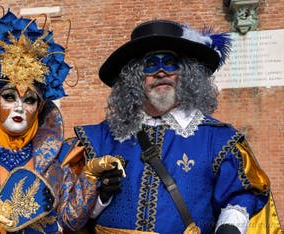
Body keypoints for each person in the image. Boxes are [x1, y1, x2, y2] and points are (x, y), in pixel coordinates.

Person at [66, 20, 282, 233]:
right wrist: (100, 197)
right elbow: (72, 217)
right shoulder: (100, 138)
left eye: (170, 63)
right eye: (150, 64)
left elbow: (242, 193)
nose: (161, 72)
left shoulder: (218, 139)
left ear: (187, 74)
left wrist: (230, 226)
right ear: (134, 78)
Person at [0, 9, 121, 233]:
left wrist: (90, 178)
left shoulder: (60, 159)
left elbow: (69, 221)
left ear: (39, 108)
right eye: (10, 97)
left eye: (30, 99)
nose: (20, 107)